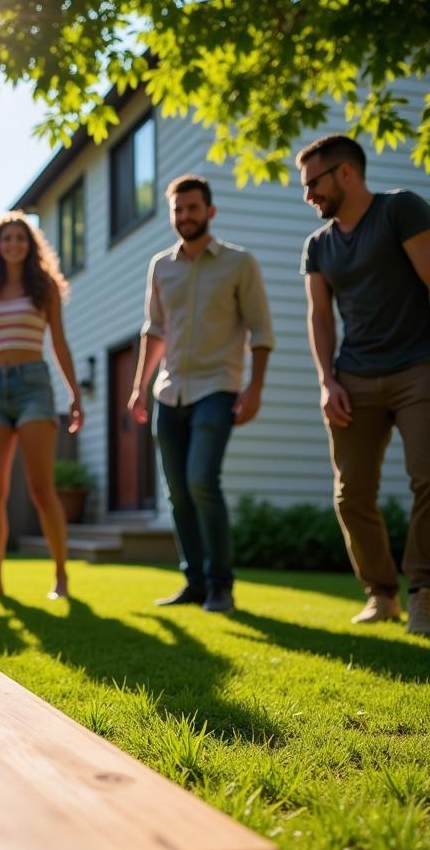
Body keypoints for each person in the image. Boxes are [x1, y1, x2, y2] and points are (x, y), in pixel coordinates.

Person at [296, 135, 430, 634]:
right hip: (353, 376)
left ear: (346, 173)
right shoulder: (318, 245)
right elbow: (320, 317)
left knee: (428, 477)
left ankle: (424, 592)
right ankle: (382, 594)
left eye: (314, 182)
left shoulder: (401, 211)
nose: (308, 194)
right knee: (351, 494)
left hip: (419, 365)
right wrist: (326, 381)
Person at [129, 174, 274, 614]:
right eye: (178, 209)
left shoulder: (239, 262)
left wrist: (255, 388)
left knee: (201, 482)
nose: (185, 216)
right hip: (168, 392)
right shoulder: (161, 265)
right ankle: (193, 582)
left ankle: (220, 584)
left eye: (192, 208)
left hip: (218, 389)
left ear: (210, 211)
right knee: (177, 493)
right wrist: (138, 388)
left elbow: (261, 330)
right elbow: (154, 330)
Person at [0, 212, 83, 599]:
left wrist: (75, 394)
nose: (13, 244)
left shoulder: (44, 287)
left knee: (40, 487)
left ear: (29, 245)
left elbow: (60, 343)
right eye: (6, 239)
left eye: (19, 238)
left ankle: (61, 577)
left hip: (34, 385)